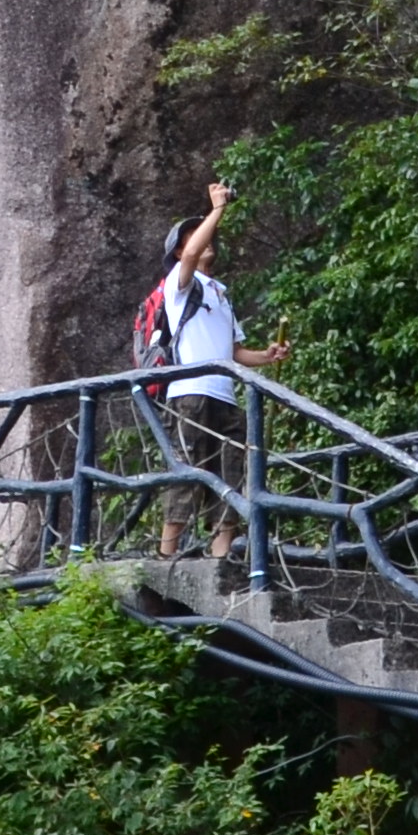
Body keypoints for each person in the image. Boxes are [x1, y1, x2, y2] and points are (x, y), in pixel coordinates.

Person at [139, 181, 269, 563]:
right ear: (180, 251)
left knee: (232, 471)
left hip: (223, 393)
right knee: (187, 468)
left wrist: (268, 356)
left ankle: (220, 557)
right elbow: (194, 253)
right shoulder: (179, 286)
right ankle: (166, 556)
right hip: (190, 392)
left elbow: (235, 351)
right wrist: (217, 209)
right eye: (191, 237)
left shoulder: (219, 293)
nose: (201, 240)